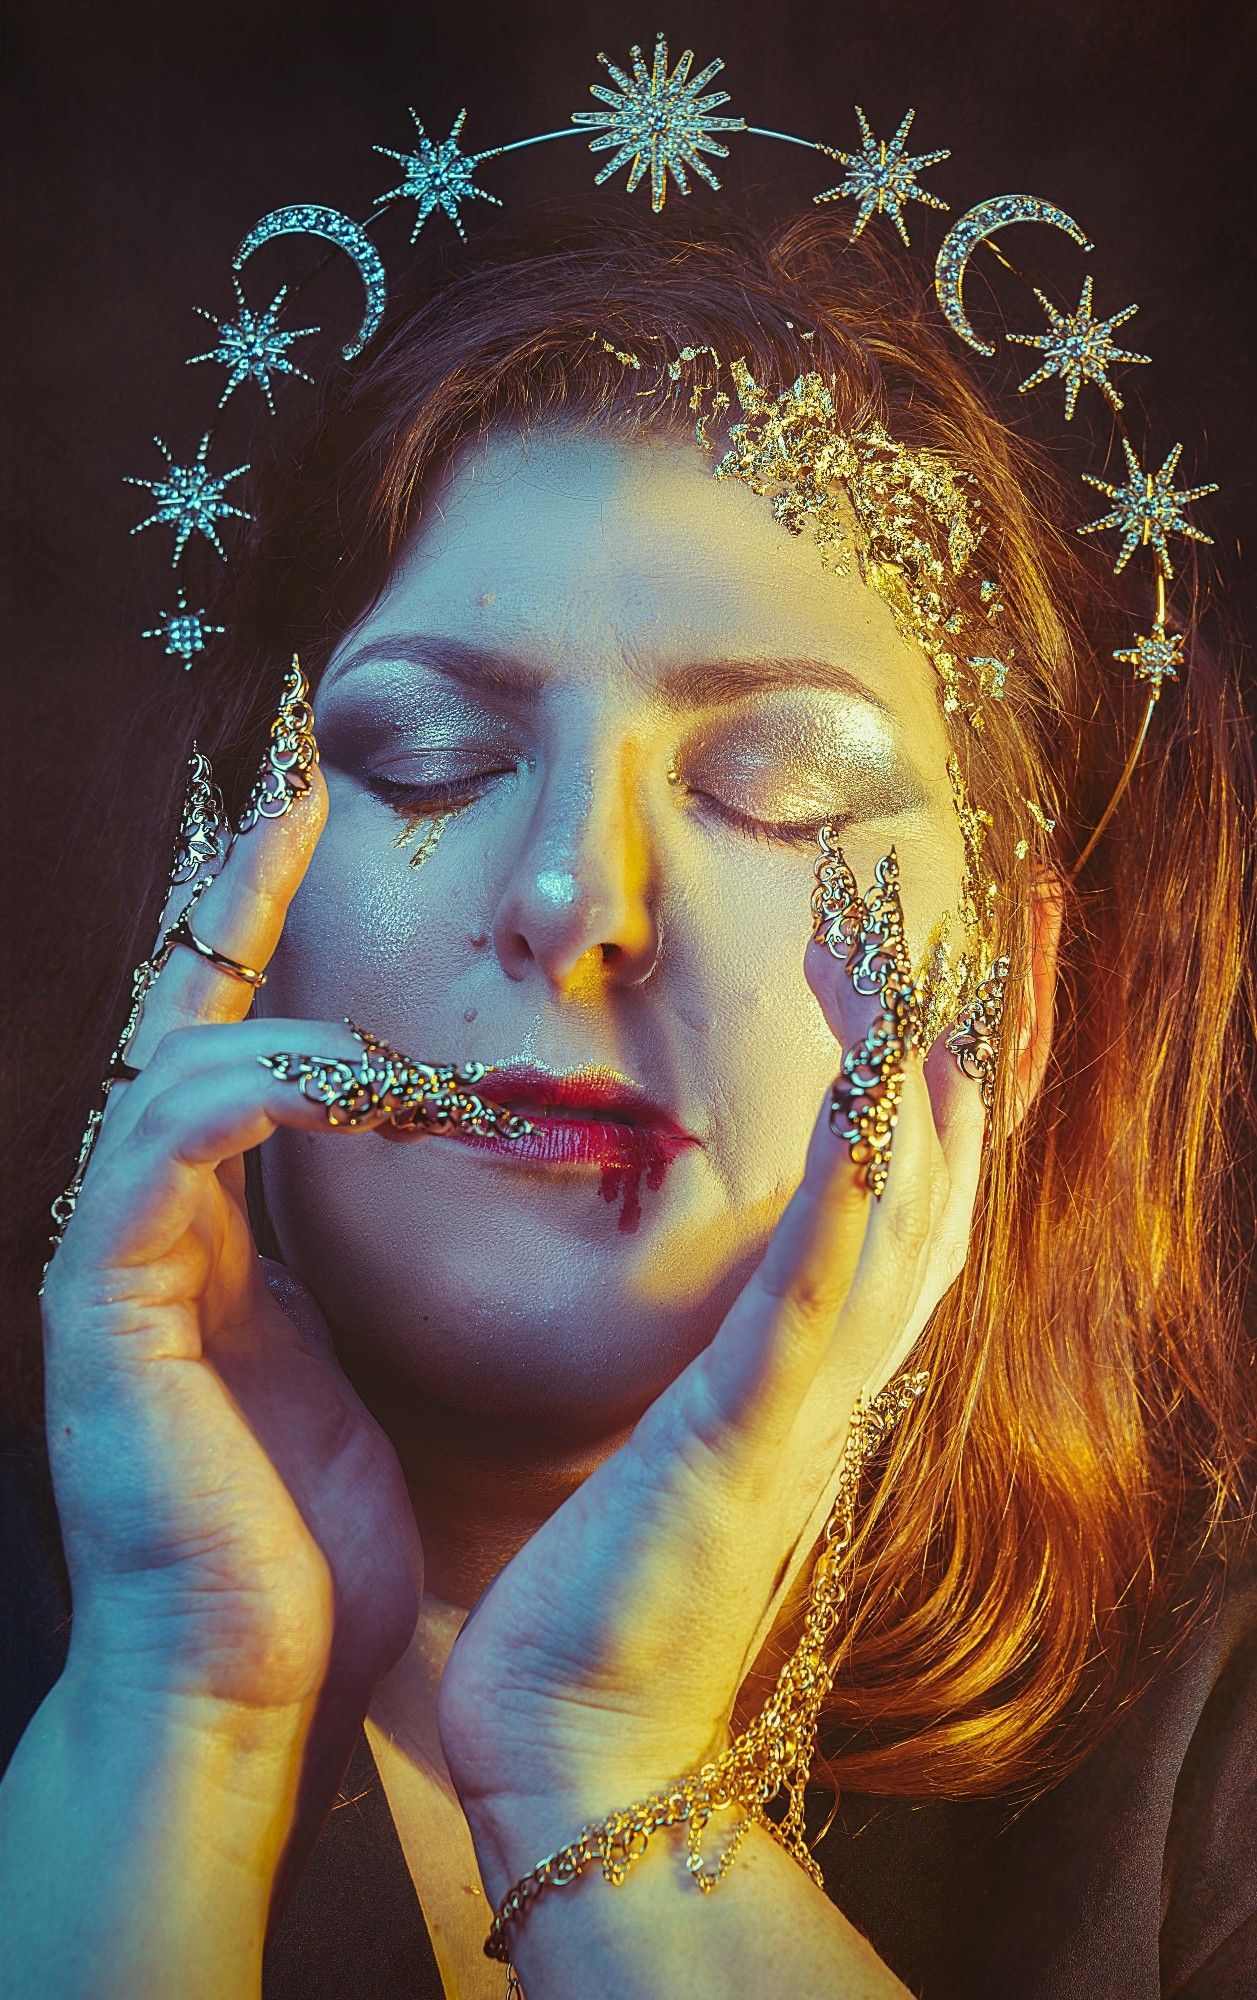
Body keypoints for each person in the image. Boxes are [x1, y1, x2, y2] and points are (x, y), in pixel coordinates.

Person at [1, 205, 1254, 2000]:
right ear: (230, 901)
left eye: (774, 785)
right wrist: (169, 1725)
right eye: (428, 759)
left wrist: (619, 1786)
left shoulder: (1211, 1780)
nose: (577, 898)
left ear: (1019, 993)